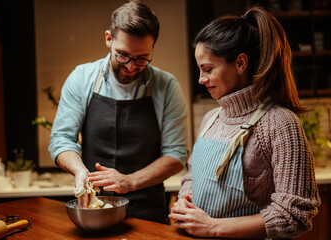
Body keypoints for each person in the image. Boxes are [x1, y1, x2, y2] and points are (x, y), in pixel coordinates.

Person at [169, 6, 320, 239]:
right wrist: (184, 203)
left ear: (240, 63)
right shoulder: (211, 119)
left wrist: (213, 227)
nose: (201, 79)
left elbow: (293, 214)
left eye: (208, 69)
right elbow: (192, 175)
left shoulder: (280, 123)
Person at [48, 0, 188, 223]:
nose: (131, 66)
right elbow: (61, 139)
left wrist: (130, 181)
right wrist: (80, 172)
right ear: (108, 39)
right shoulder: (81, 78)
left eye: (142, 58)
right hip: (93, 206)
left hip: (148, 209)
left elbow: (177, 154)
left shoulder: (167, 87)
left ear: (153, 48)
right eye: (122, 55)